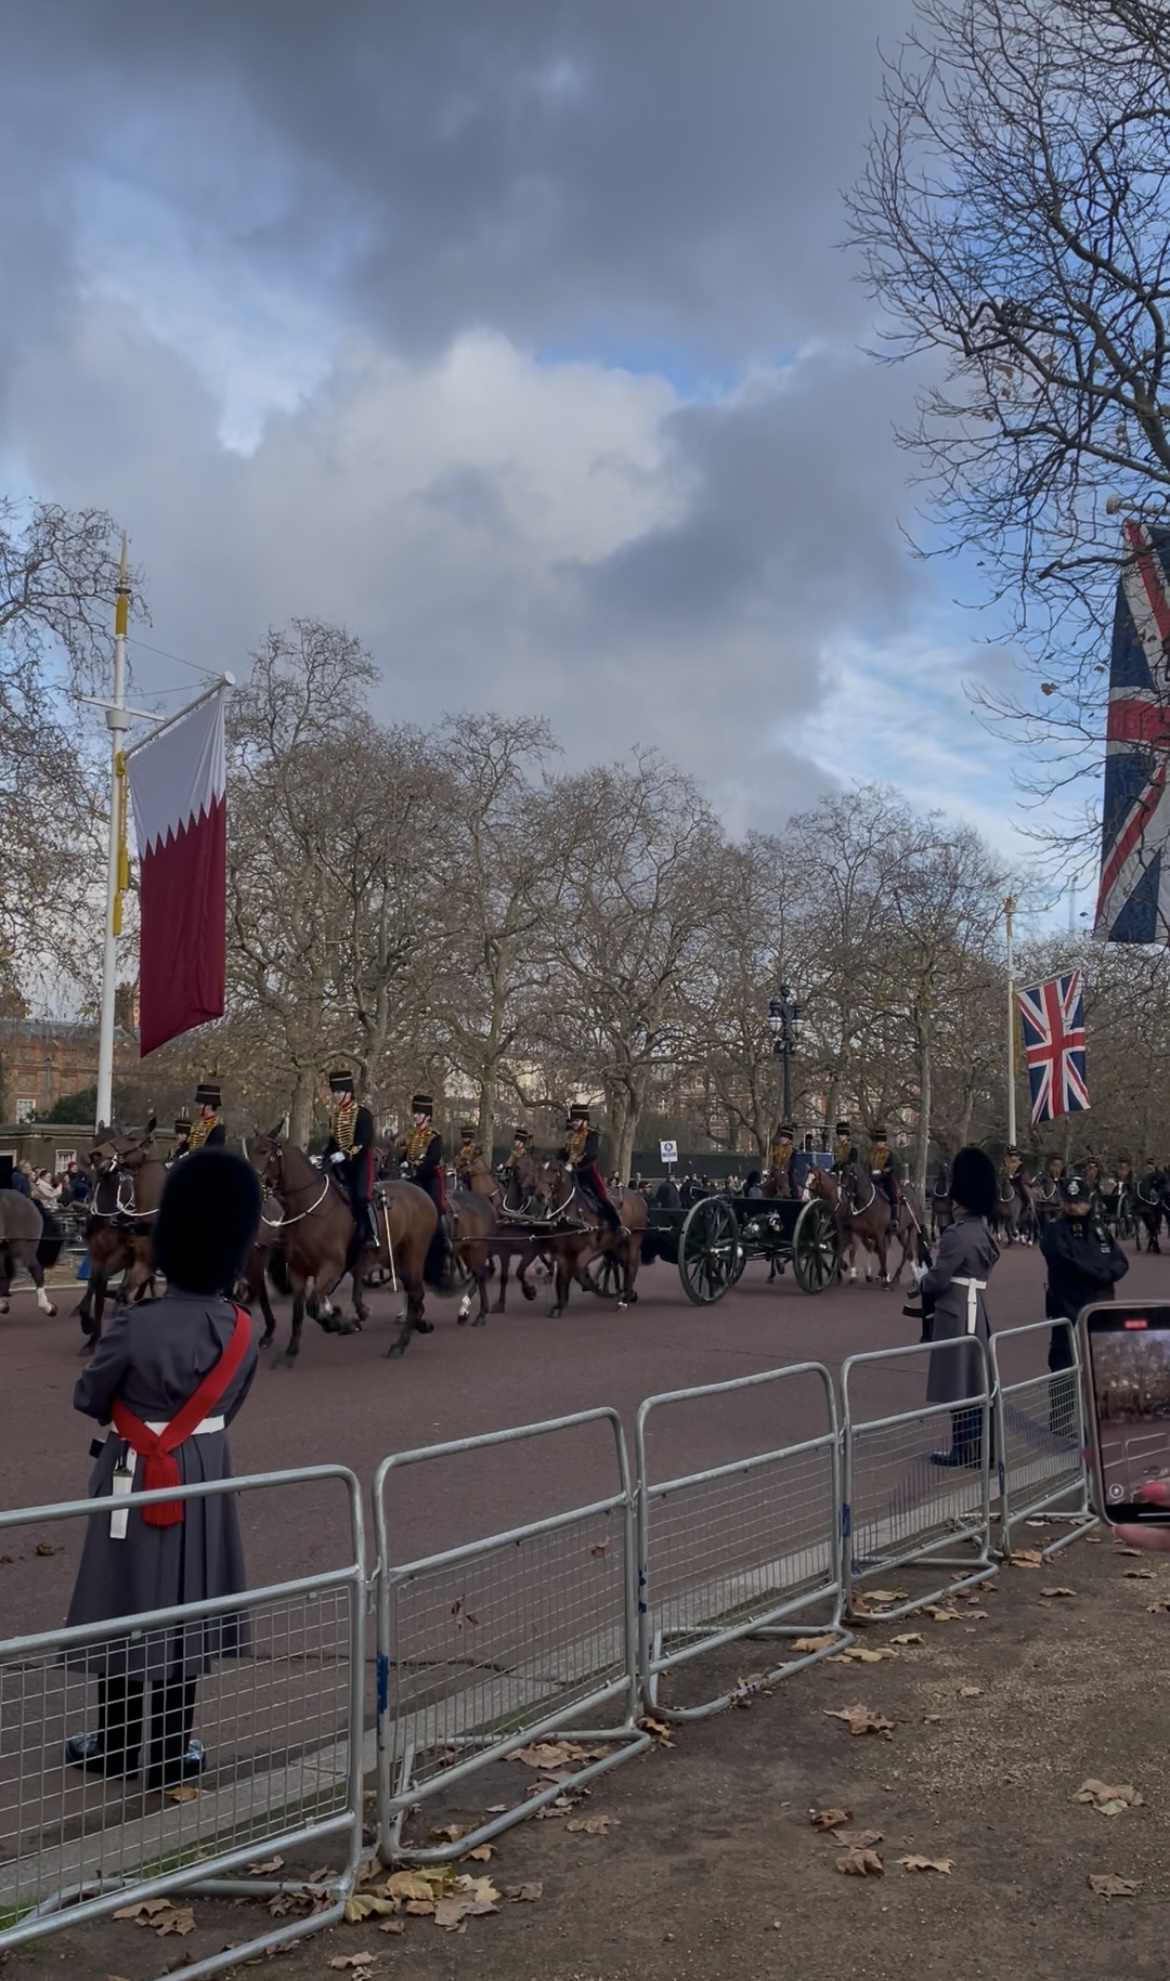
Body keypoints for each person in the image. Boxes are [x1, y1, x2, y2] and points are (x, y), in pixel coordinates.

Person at [63, 1148, 260, 1790]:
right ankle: (174, 1749)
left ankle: (117, 1746)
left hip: (132, 1469)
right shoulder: (242, 1329)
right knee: (187, 1602)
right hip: (201, 1468)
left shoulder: (134, 1323)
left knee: (125, 1596)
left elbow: (89, 1398)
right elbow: (230, 1407)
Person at [915, 1144, 1000, 1468]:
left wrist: (923, 1277)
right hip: (977, 1307)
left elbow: (938, 1281)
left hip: (957, 1313)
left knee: (959, 1385)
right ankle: (980, 1449)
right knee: (976, 1382)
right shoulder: (981, 1231)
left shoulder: (957, 1234)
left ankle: (965, 1450)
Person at [1039, 1175, 1129, 1378]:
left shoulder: (1099, 1230)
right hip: (1068, 1312)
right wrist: (1099, 1273)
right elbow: (1064, 1261)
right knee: (1064, 1372)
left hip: (1101, 1311)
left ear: (1087, 1202)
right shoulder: (1054, 1231)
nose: (1074, 1207)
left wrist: (1109, 1273)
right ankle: (1063, 1411)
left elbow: (1120, 1260)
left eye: (1079, 1202)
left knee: (1102, 1370)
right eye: (1070, 1202)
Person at [323, 1070, 376, 1272]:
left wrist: (345, 1154)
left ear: (349, 1093)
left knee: (361, 1197)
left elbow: (364, 1142)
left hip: (360, 1163)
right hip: (340, 1163)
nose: (336, 1095)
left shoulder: (362, 1114)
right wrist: (324, 1157)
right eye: (334, 1092)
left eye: (339, 1092)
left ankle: (370, 1234)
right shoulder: (336, 1116)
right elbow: (332, 1143)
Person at [562, 1105, 621, 1233]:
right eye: (573, 1121)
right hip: (572, 1172)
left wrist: (573, 1164)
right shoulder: (571, 1136)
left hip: (589, 1171)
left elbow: (591, 1154)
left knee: (602, 1196)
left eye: (577, 1121)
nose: (574, 1123)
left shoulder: (591, 1135)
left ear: (585, 1121)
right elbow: (564, 1153)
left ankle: (616, 1223)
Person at [869, 1129, 901, 1221]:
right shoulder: (872, 1154)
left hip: (885, 1179)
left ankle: (894, 1218)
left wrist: (882, 1173)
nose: (879, 1143)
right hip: (872, 1179)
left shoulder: (889, 1154)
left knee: (892, 1194)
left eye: (880, 1141)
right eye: (877, 1142)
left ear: (884, 1142)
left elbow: (892, 1167)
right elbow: (868, 1166)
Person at [184, 1083, 226, 1152]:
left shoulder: (217, 1127)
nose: (196, 1107)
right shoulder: (196, 1125)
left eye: (199, 1104)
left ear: (208, 1106)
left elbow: (213, 1152)